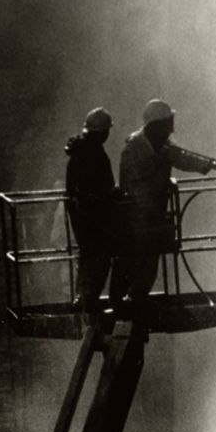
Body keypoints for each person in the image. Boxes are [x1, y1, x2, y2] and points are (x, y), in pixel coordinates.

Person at [113, 99, 214, 313]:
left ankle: (134, 298)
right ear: (156, 125)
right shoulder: (134, 149)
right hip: (137, 215)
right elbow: (132, 184)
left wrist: (208, 164)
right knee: (135, 259)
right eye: (169, 121)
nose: (172, 126)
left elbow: (181, 157)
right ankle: (123, 300)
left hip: (151, 215)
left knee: (149, 259)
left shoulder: (160, 143)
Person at [63, 106, 122, 320]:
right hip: (93, 215)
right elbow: (97, 187)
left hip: (82, 213)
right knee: (100, 256)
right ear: (101, 132)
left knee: (89, 255)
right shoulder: (93, 153)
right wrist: (111, 195)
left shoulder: (80, 150)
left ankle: (85, 298)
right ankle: (89, 301)